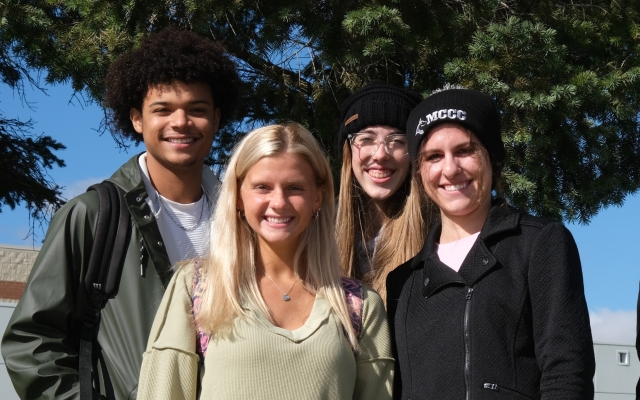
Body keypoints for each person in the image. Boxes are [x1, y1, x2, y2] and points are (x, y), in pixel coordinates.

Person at [1, 27, 240, 399]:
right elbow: (31, 340)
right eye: (163, 109)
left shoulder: (243, 220)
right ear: (137, 119)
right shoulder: (93, 216)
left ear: (216, 118)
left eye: (196, 109)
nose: (181, 122)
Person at [137, 123, 394, 400]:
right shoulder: (198, 288)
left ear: (317, 197)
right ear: (238, 195)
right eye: (262, 187)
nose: (279, 202)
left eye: (294, 187)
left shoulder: (358, 306)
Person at [386, 88, 596, 399]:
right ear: (418, 172)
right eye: (434, 156)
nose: (450, 169)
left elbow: (567, 372)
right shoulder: (403, 282)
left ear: (492, 158)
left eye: (465, 150)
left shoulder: (539, 243)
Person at [336, 81, 429, 301]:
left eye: (397, 141)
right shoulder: (318, 232)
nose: (380, 154)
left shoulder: (436, 236)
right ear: (348, 151)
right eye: (366, 139)